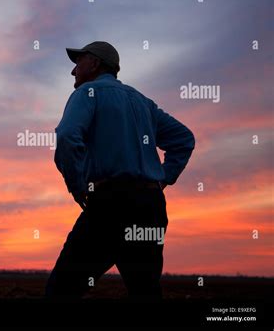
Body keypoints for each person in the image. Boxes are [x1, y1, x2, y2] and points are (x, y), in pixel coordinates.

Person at [45, 41, 195, 300]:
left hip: (110, 206)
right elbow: (184, 139)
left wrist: (78, 185)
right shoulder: (142, 102)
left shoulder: (87, 93)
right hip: (150, 207)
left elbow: (68, 137)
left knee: (62, 291)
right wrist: (162, 179)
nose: (73, 71)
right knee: (145, 293)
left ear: (94, 63)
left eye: (78, 63)